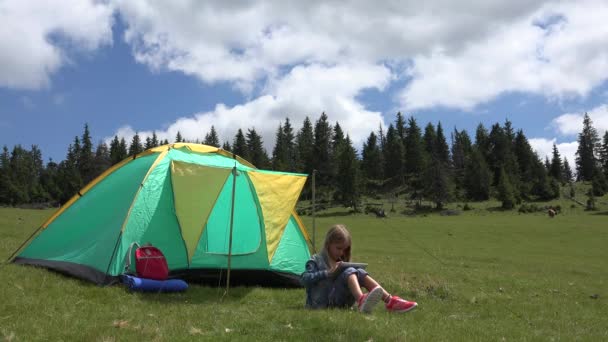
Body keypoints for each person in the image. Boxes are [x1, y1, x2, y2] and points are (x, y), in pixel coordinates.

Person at [300, 224, 417, 313]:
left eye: (344, 249)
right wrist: (326, 273)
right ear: (328, 244)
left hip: (339, 302)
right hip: (320, 304)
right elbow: (304, 279)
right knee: (349, 271)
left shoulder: (340, 260)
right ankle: (362, 300)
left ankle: (390, 301)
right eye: (338, 248)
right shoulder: (316, 259)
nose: (341, 252)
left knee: (359, 271)